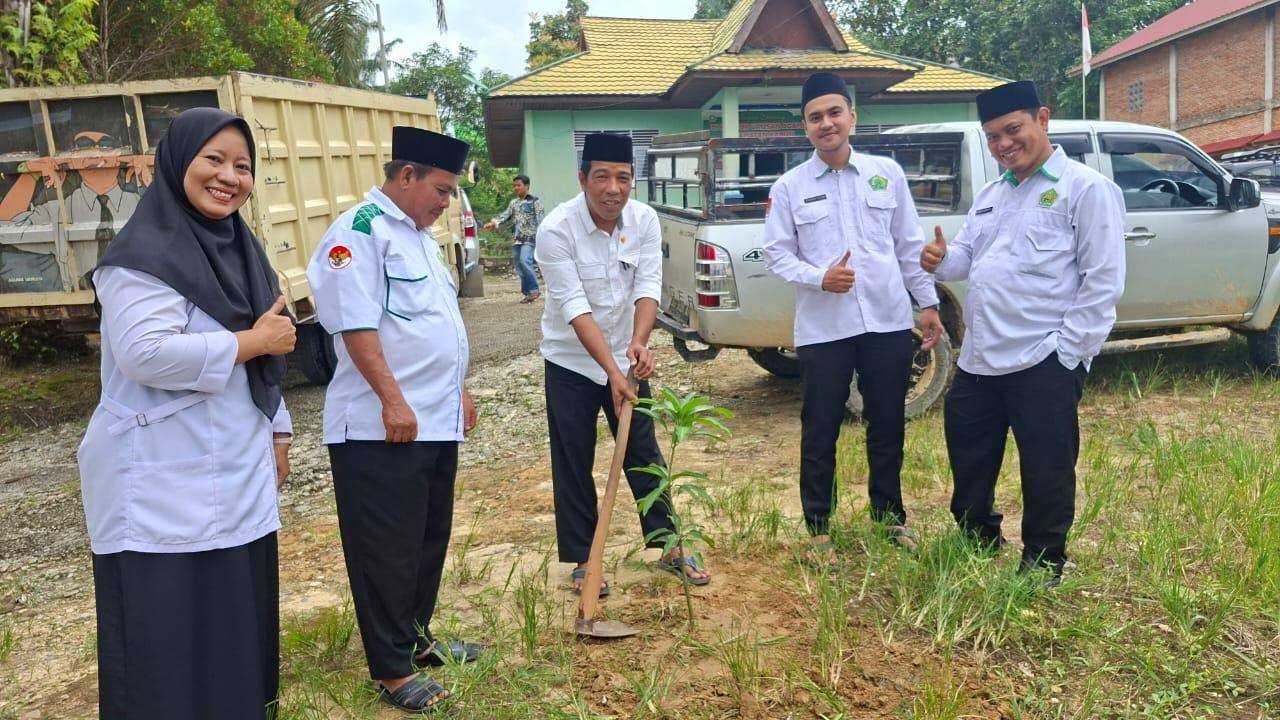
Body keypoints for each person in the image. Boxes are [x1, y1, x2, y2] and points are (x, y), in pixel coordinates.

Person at [78, 107, 295, 719]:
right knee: (166, 644)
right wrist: (253, 342)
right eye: (214, 160)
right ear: (177, 164)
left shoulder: (243, 251)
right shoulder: (139, 258)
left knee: (233, 626)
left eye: (243, 165)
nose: (229, 176)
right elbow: (147, 355)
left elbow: (269, 349)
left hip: (235, 470)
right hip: (156, 481)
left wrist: (278, 430)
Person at [920, 80, 1125, 587]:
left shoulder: (1085, 188)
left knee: (1047, 466)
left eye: (1012, 130)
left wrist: (1069, 355)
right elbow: (967, 258)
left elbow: (1103, 280)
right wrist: (941, 262)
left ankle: (1043, 561)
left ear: (1042, 119)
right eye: (993, 137)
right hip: (981, 358)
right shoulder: (992, 195)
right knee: (968, 454)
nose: (1004, 144)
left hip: (1043, 357)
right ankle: (977, 536)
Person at [307, 126, 483, 713]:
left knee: (427, 538)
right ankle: (389, 669)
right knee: (386, 547)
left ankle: (416, 638)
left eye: (452, 191)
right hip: (383, 426)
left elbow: (436, 324)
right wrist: (392, 398)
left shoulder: (420, 237)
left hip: (434, 419)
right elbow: (354, 325)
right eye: (441, 189)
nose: (446, 202)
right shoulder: (358, 233)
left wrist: (458, 389)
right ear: (405, 176)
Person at [762, 72, 944, 569]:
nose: (827, 124)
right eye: (815, 117)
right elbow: (776, 255)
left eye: (834, 113)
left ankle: (890, 517)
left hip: (887, 322)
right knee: (820, 428)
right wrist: (820, 277)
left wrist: (927, 304)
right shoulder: (790, 187)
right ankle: (818, 529)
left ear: (852, 116)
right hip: (825, 330)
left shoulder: (886, 174)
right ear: (805, 127)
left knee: (887, 423)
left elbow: (909, 246)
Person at [535, 132, 711, 594]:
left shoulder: (644, 220)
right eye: (602, 177)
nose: (613, 188)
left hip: (626, 358)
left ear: (633, 180)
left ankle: (669, 544)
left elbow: (648, 286)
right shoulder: (556, 230)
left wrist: (638, 343)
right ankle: (583, 562)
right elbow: (574, 308)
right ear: (582, 179)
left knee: (643, 450)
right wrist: (611, 371)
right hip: (571, 360)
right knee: (573, 457)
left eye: (623, 178)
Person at [484, 174, 545, 303]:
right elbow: (505, 215)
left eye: (518, 185)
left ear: (526, 186)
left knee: (524, 261)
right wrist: (493, 223)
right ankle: (527, 293)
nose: (516, 188)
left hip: (530, 238)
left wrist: (543, 236)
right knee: (519, 266)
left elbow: (541, 221)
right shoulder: (514, 203)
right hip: (517, 238)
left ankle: (534, 290)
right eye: (514, 186)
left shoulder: (535, 202)